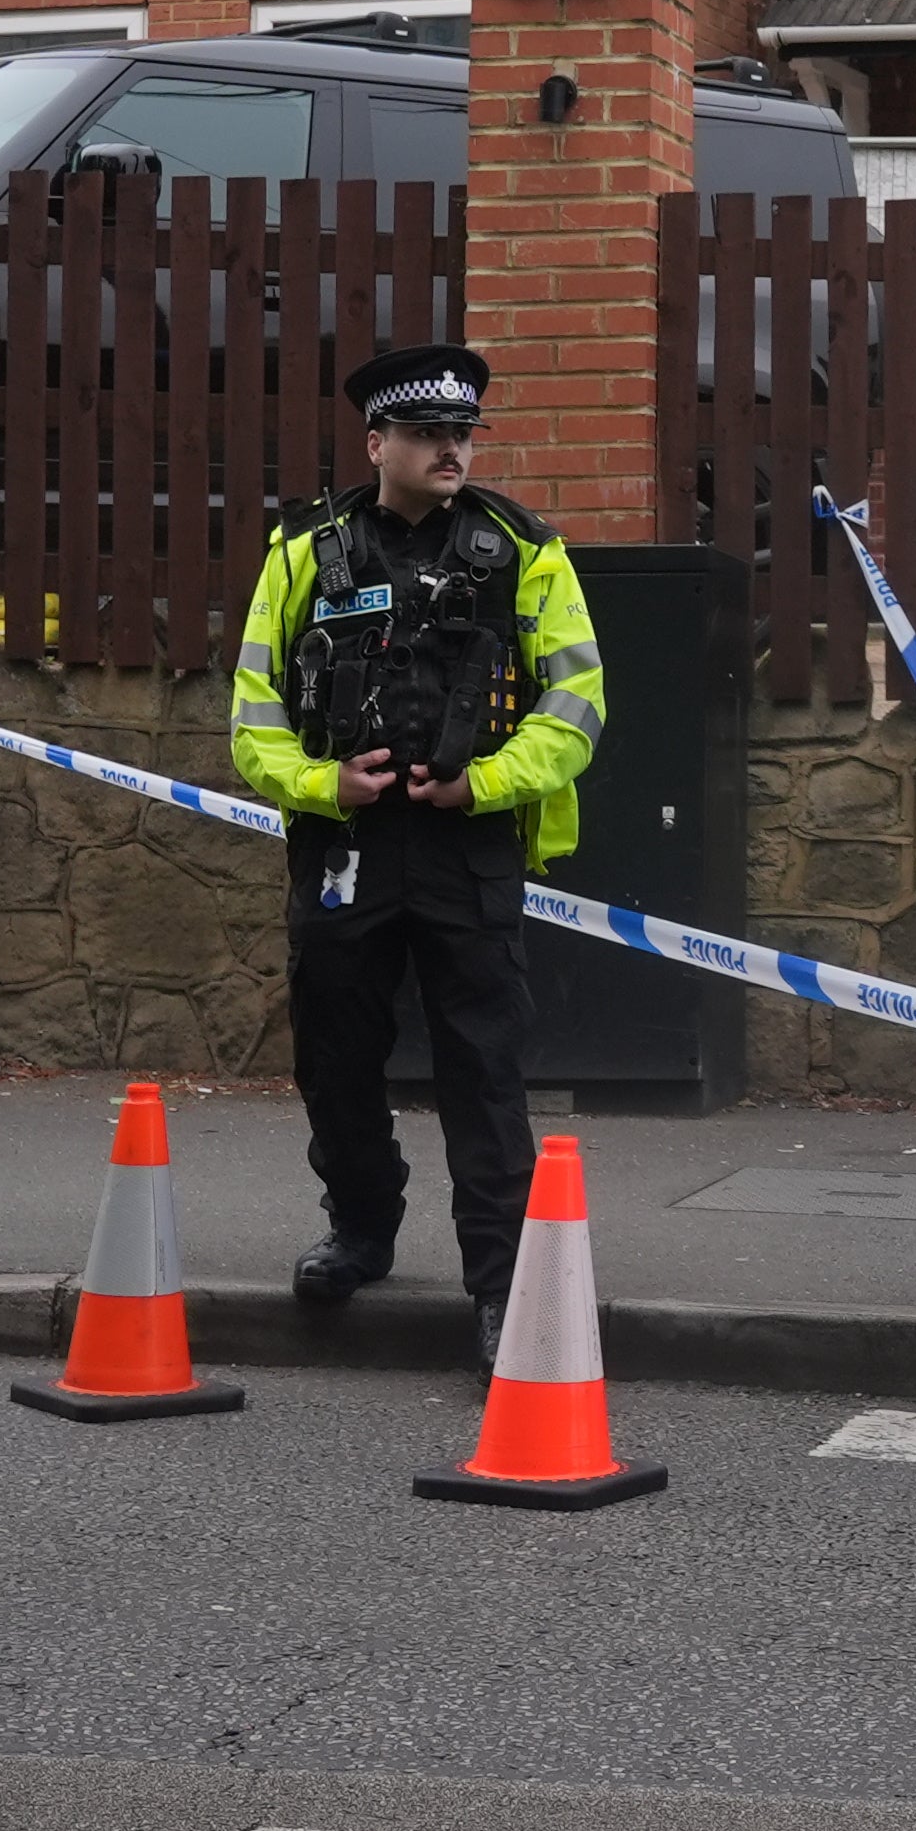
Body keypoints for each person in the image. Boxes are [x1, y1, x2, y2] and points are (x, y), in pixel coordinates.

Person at [228, 340, 600, 1370]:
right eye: (429, 433)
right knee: (335, 1057)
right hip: (344, 845)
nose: (451, 448)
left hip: (466, 846)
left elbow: (577, 705)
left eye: (462, 432)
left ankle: (502, 1292)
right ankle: (361, 1226)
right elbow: (253, 715)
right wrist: (323, 784)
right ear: (376, 441)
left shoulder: (523, 550)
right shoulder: (307, 552)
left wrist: (483, 780)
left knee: (484, 1073)